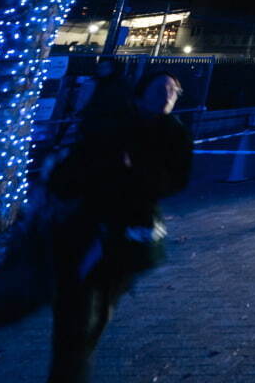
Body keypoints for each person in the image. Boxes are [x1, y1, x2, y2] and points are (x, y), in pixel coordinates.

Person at [45, 71, 192, 383]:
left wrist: (135, 174)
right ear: (140, 93)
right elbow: (70, 173)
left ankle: (75, 360)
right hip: (85, 229)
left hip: (129, 234)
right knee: (78, 314)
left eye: (172, 91)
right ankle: (70, 369)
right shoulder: (111, 123)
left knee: (99, 310)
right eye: (159, 89)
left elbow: (176, 181)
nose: (166, 96)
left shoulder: (175, 133)